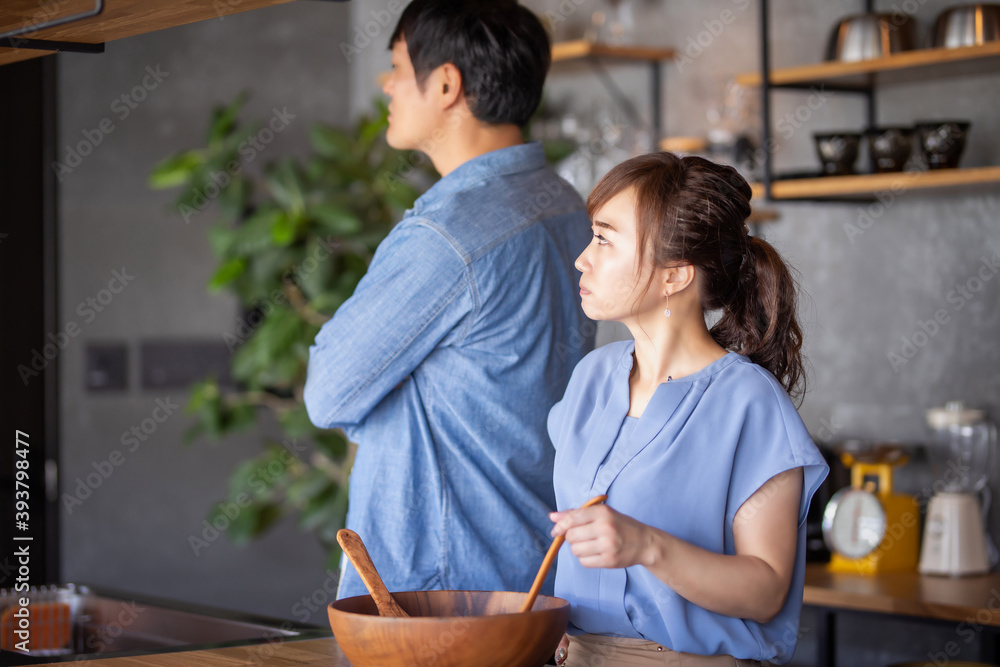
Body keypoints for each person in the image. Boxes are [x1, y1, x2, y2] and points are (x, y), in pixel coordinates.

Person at [303, 0, 594, 600]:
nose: (386, 84)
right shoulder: (568, 203)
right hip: (539, 582)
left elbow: (328, 392)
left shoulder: (447, 235)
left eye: (396, 66)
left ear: (444, 83)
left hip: (439, 599)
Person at [546, 152, 829, 666]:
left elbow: (766, 591)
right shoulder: (591, 378)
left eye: (605, 239)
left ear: (675, 275)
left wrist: (647, 546)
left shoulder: (749, 404)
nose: (582, 258)